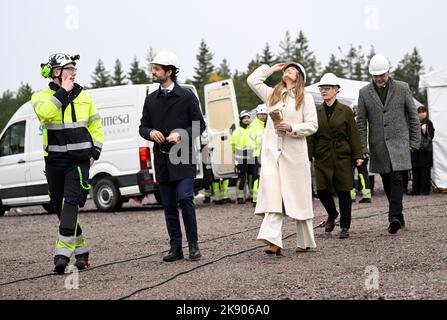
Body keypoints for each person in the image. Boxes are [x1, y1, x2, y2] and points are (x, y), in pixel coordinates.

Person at [31, 53, 104, 274]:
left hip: (79, 161)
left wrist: (95, 151)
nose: (74, 72)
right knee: (59, 209)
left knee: (71, 203)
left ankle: (61, 255)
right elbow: (45, 115)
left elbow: (96, 126)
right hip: (54, 161)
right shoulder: (40, 97)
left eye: (74, 68)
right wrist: (63, 92)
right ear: (56, 73)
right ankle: (82, 252)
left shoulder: (86, 97)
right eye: (68, 68)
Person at [139, 50, 206, 262]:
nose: (153, 72)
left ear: (169, 72)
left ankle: (193, 246)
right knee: (168, 205)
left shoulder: (187, 96)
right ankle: (175, 248)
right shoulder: (150, 99)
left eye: (157, 69)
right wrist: (150, 133)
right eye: (153, 69)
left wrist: (182, 133)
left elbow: (200, 125)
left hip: (182, 158)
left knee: (185, 197)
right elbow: (143, 127)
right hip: (161, 160)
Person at [247, 61, 318, 255]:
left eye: (293, 69)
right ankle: (273, 240)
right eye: (287, 68)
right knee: (273, 195)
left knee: (299, 199)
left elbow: (313, 125)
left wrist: (292, 128)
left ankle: (306, 242)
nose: (289, 70)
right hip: (272, 155)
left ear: (300, 77)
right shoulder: (272, 94)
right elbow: (252, 80)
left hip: (295, 156)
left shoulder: (306, 98)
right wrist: (270, 69)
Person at [357, 54, 420, 234]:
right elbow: (361, 122)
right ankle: (399, 217)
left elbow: (413, 116)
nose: (379, 78)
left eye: (382, 75)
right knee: (386, 180)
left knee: (397, 178)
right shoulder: (364, 93)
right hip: (379, 146)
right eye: (375, 76)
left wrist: (415, 141)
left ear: (388, 72)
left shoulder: (402, 88)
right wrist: (363, 147)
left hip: (400, 143)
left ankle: (393, 216)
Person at [307, 73, 363, 239]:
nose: (323, 91)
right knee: (322, 190)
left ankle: (345, 226)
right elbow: (311, 136)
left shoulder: (345, 111)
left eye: (327, 88)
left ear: (336, 90)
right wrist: (308, 156)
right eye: (322, 88)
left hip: (342, 155)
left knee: (344, 190)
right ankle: (332, 214)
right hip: (322, 154)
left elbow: (353, 134)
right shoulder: (315, 111)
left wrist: (358, 154)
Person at [409, 106, 435, 195]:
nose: (421, 114)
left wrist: (425, 130)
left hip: (425, 151)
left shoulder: (429, 123)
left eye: (422, 112)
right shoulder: (414, 123)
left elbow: (431, 136)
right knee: (415, 171)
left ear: (426, 113)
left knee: (425, 171)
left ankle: (425, 190)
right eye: (419, 112)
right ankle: (415, 190)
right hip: (416, 150)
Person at [231, 110, 255, 204]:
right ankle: (240, 196)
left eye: (248, 118)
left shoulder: (252, 130)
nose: (246, 120)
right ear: (241, 119)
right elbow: (233, 146)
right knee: (242, 178)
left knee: (251, 176)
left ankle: (252, 195)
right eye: (244, 118)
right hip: (241, 158)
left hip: (252, 157)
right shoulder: (237, 131)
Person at [350, 104, 373, 204]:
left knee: (351, 174)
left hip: (355, 151)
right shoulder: (368, 122)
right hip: (364, 151)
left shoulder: (354, 121)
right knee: (363, 174)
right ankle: (366, 195)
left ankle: (352, 196)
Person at [249, 104, 268, 207]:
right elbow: (251, 141)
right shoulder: (254, 126)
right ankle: (256, 199)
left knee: (264, 176)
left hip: (264, 155)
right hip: (256, 155)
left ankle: (263, 198)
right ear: (257, 114)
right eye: (261, 114)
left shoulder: (265, 125)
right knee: (257, 177)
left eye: (264, 114)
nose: (263, 116)